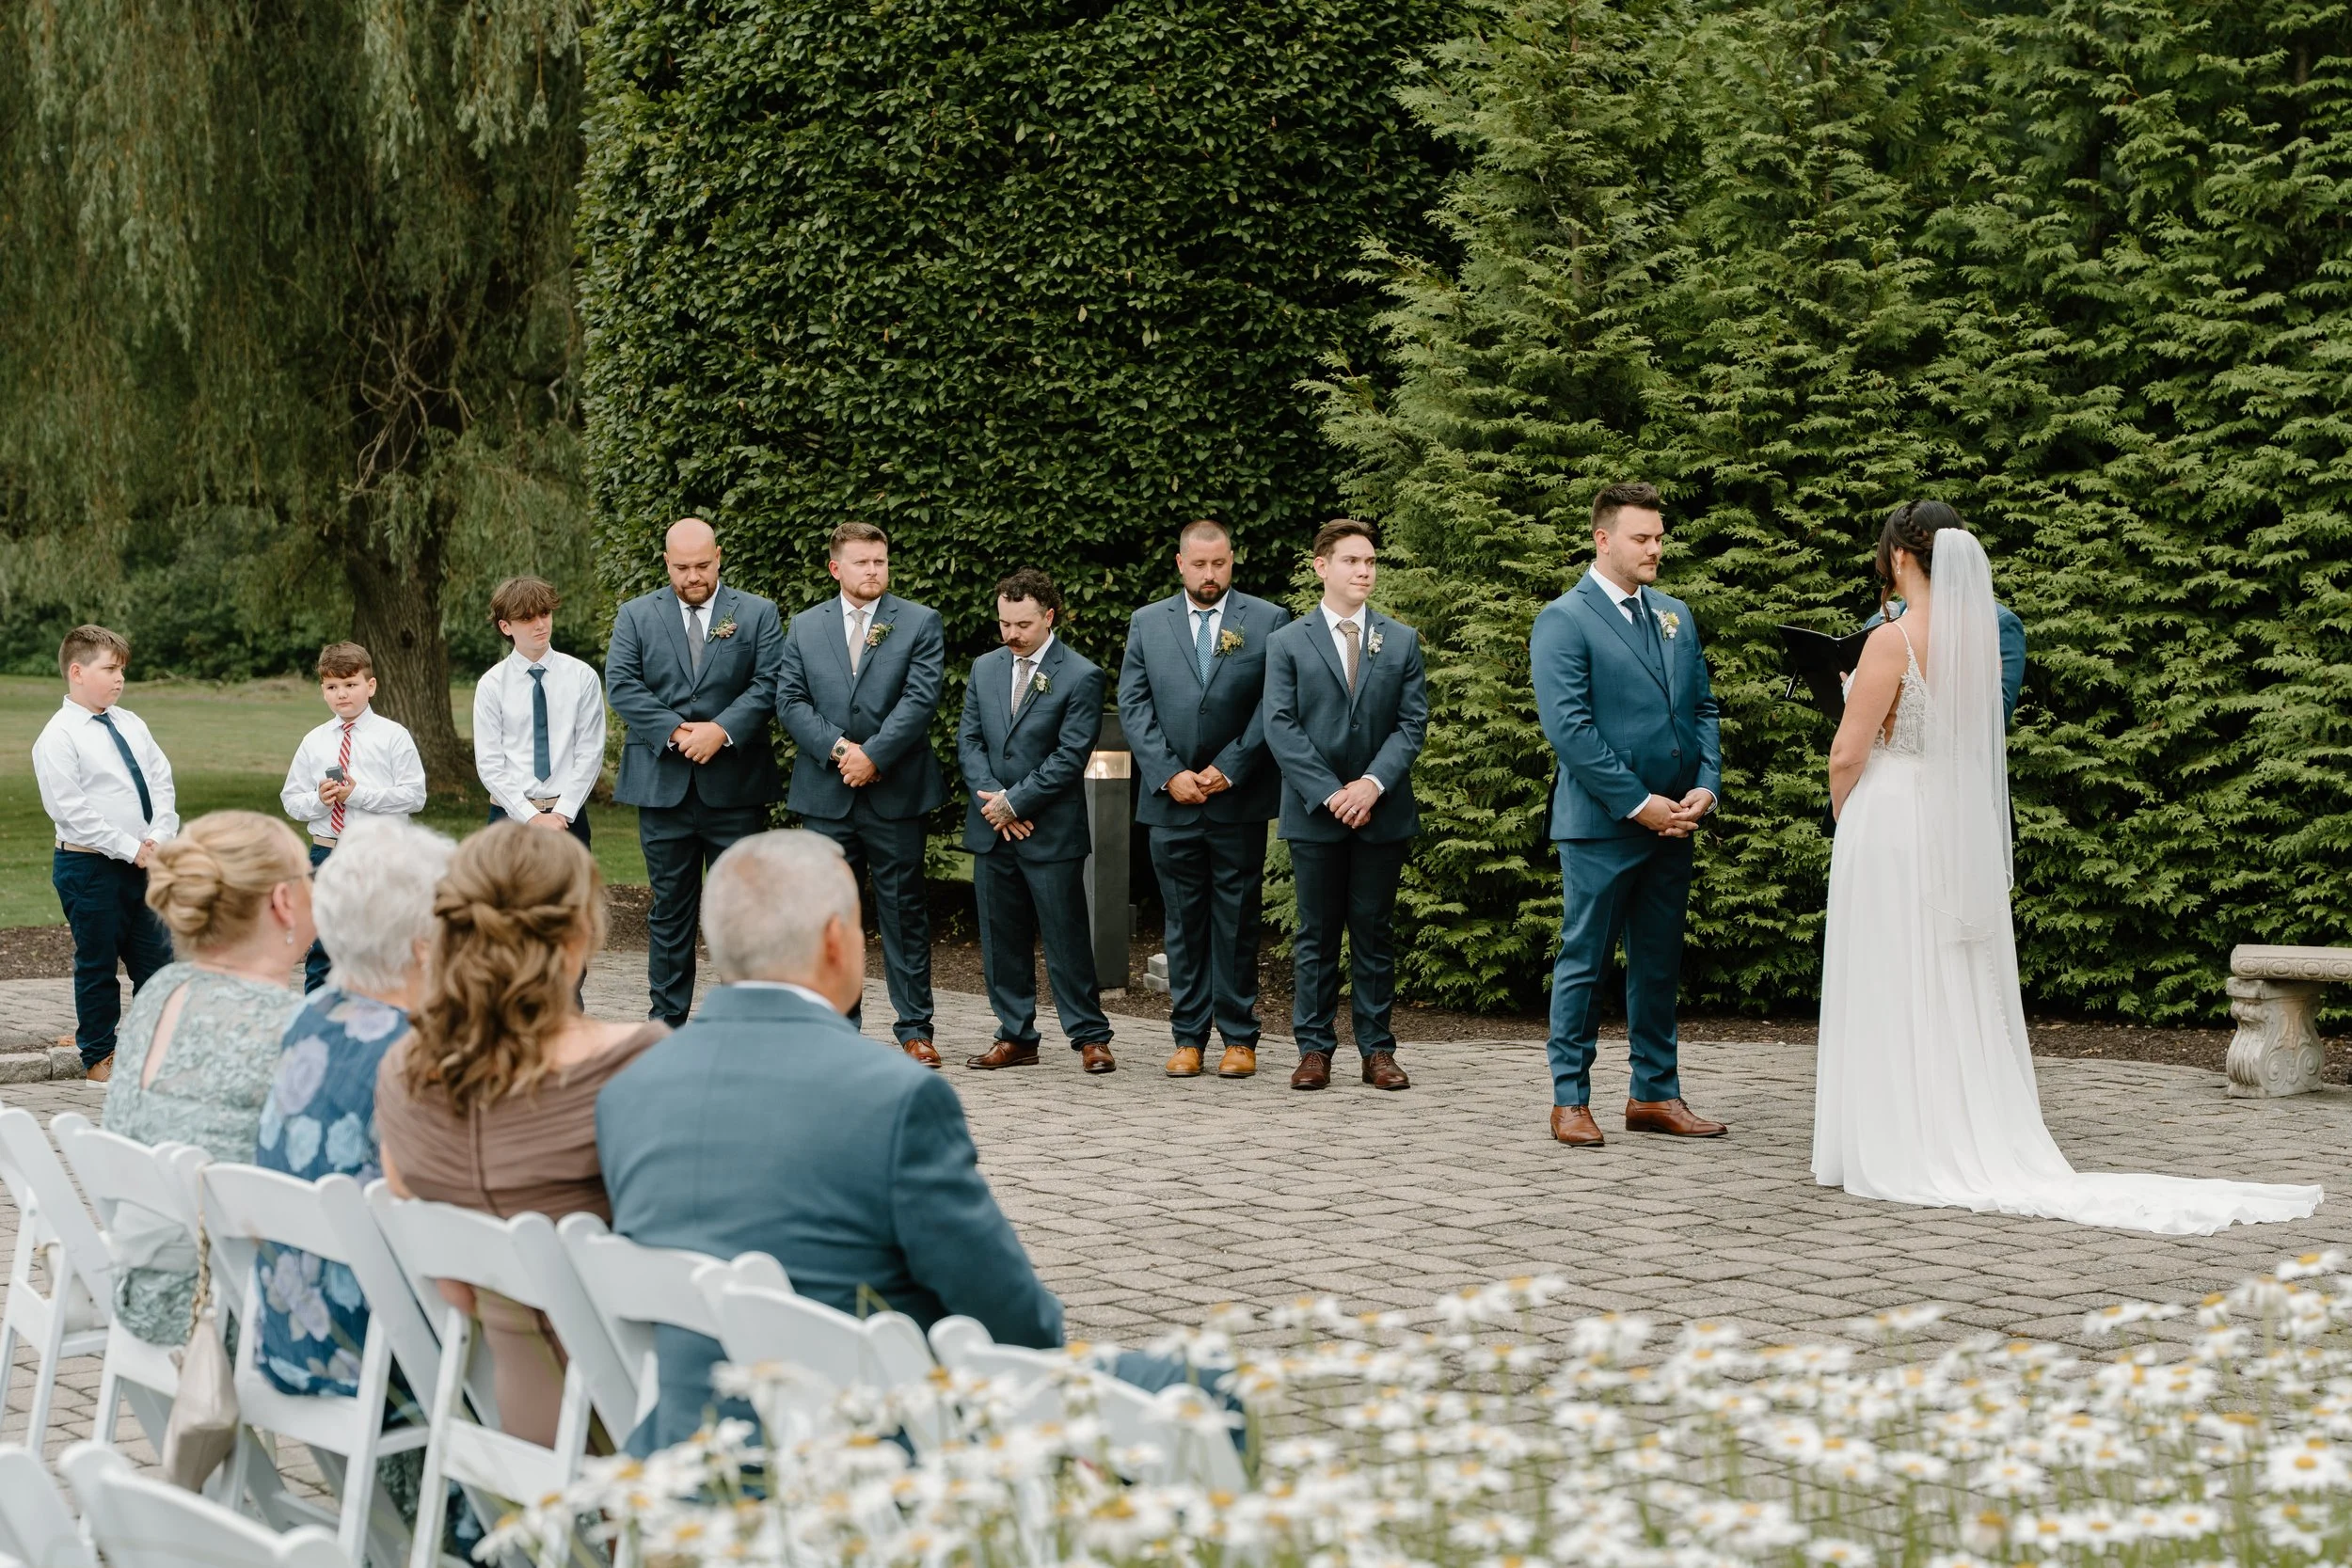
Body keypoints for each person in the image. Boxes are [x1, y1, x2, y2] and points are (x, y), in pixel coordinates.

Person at [598, 831, 1215, 1454]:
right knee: (1209, 1385)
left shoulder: (630, 1088)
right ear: (837, 941)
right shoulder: (892, 1097)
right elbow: (1015, 1323)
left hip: (686, 1447)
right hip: (872, 1446)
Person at [1813, 506, 2322, 1233]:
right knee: (1948, 977)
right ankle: (1952, 1125)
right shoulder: (1980, 640)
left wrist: (1846, 812)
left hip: (1892, 817)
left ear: (1899, 559)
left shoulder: (1890, 640)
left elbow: (1846, 752)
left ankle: (1892, 1135)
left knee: (1893, 969)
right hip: (1950, 822)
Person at [374, 822, 666, 1447]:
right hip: (643, 1417)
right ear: (574, 938)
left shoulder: (405, 1070)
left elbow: (452, 1285)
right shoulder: (638, 1062)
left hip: (513, 1412)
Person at [1529, 483, 1726, 1148]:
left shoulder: (1675, 614)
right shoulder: (1565, 618)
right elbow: (1571, 729)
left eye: (1660, 537)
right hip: (1602, 824)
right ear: (1603, 539)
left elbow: (1702, 708)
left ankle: (1654, 1092)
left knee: (1658, 960)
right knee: (1585, 958)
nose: (1655, 549)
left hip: (1677, 820)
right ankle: (1570, 1098)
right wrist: (1640, 804)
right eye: (1642, 538)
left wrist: (1706, 784)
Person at [252, 816, 455, 1399]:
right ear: (424, 944)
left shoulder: (309, 1018)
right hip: (377, 1348)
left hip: (289, 1330)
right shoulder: (417, 1052)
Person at [102, 811, 313, 1344]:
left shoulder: (160, 990)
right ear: (283, 901)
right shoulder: (295, 1028)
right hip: (234, 1308)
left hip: (144, 1286)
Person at [1118, 520, 1293, 1080]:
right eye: (1199, 564)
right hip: (1170, 802)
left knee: (1237, 920)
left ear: (1232, 561)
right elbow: (1134, 706)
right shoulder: (1147, 623)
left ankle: (1240, 1038)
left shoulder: (1268, 620)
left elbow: (1273, 705)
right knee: (1183, 922)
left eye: (1219, 564)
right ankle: (1188, 1037)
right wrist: (1170, 774)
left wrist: (1229, 769)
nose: (1209, 574)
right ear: (1180, 563)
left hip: (1236, 799)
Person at [1261, 520, 1428, 1092]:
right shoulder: (1286, 641)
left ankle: (1377, 1050)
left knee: (1374, 931)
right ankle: (1313, 1050)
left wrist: (1372, 785)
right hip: (1315, 811)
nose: (1364, 571)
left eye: (1371, 561)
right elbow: (1279, 725)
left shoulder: (1400, 639)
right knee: (1316, 934)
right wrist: (1333, 792)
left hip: (1381, 810)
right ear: (1321, 566)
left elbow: (1411, 723)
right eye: (1352, 561)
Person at [775, 522, 947, 1066]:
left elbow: (920, 700)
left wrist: (874, 755)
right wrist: (840, 751)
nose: (874, 570)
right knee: (831, 916)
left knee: (904, 912)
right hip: (827, 794)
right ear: (836, 568)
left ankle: (915, 1028)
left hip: (894, 792)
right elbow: (790, 701)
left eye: (880, 561)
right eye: (862, 562)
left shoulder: (919, 622)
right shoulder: (804, 626)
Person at [603, 517, 786, 1027]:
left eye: (703, 565)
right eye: (682, 567)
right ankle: (666, 1022)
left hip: (737, 788)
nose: (693, 576)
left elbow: (770, 683)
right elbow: (621, 683)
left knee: (742, 912)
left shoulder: (756, 614)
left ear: (719, 556)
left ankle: (743, 1022)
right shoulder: (636, 615)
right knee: (669, 910)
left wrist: (720, 731)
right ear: (667, 562)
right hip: (663, 788)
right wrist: (678, 731)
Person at [958, 569, 1117, 1073]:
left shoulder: (1081, 675)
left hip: (1050, 829)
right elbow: (970, 741)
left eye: (1022, 624)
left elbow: (1070, 756)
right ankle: (1016, 1035)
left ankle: (1090, 1036)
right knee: (1000, 936)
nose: (1010, 634)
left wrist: (1016, 804)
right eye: (1004, 623)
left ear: (1049, 617)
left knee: (1065, 936)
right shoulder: (985, 668)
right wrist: (996, 805)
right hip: (993, 826)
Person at [33, 626, 179, 1083]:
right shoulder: (58, 737)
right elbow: (70, 810)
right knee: (98, 963)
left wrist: (159, 837)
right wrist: (129, 847)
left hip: (146, 861)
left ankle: (159, 1049)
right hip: (90, 866)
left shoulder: (131, 722)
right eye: (110, 670)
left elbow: (160, 780)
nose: (120, 680)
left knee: (158, 961)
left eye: (122, 671)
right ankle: (100, 1055)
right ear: (77, 672)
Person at [281, 641, 428, 994]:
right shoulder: (314, 741)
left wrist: (359, 795)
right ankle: (319, 1027)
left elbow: (414, 795)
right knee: (323, 946)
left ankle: (384, 1023)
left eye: (350, 684)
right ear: (323, 691)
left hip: (380, 853)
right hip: (327, 852)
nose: (341, 694)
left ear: (370, 686)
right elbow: (291, 800)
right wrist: (319, 800)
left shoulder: (393, 737)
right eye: (332, 687)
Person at [475, 576, 606, 847]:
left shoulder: (582, 677)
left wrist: (562, 812)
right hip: (509, 814)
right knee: (506, 891)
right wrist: (531, 817)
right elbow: (490, 763)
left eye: (545, 614)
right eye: (526, 618)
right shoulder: (492, 684)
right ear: (505, 626)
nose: (539, 624)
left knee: (570, 891)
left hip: (567, 815)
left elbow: (590, 752)